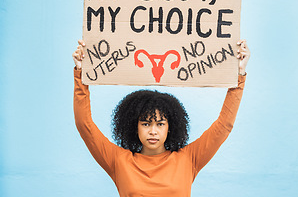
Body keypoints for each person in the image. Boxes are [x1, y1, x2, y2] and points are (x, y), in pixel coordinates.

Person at [72, 40, 250, 197]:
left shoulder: (188, 159)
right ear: (135, 127)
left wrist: (239, 75)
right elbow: (84, 125)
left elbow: (224, 125)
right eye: (146, 123)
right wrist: (80, 72)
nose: (153, 131)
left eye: (160, 124)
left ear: (169, 127)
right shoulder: (119, 161)